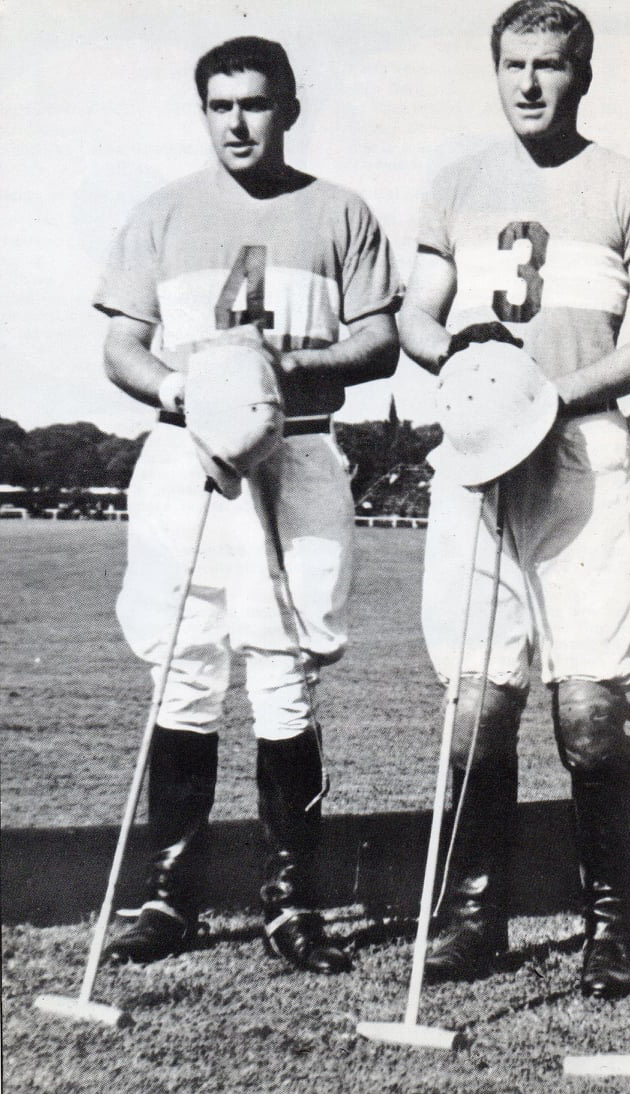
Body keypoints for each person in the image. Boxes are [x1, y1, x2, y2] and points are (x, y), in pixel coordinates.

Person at [398, 0, 630, 997]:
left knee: (592, 714)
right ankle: (475, 911)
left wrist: (549, 393)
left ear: (584, 74)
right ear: (495, 70)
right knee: (478, 702)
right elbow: (414, 311)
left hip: (580, 454)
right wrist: (461, 362)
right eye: (514, 63)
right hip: (479, 456)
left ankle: (611, 921)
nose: (531, 82)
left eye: (552, 66)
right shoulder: (456, 183)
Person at [94, 36, 401, 972]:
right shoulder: (161, 213)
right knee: (184, 668)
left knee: (284, 673)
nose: (238, 122)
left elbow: (380, 342)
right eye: (220, 105)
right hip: (186, 456)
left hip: (300, 450)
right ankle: (170, 896)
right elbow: (122, 347)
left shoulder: (340, 209)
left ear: (289, 107)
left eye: (256, 104)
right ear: (204, 112)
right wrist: (184, 391)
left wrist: (285, 369)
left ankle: (289, 902)